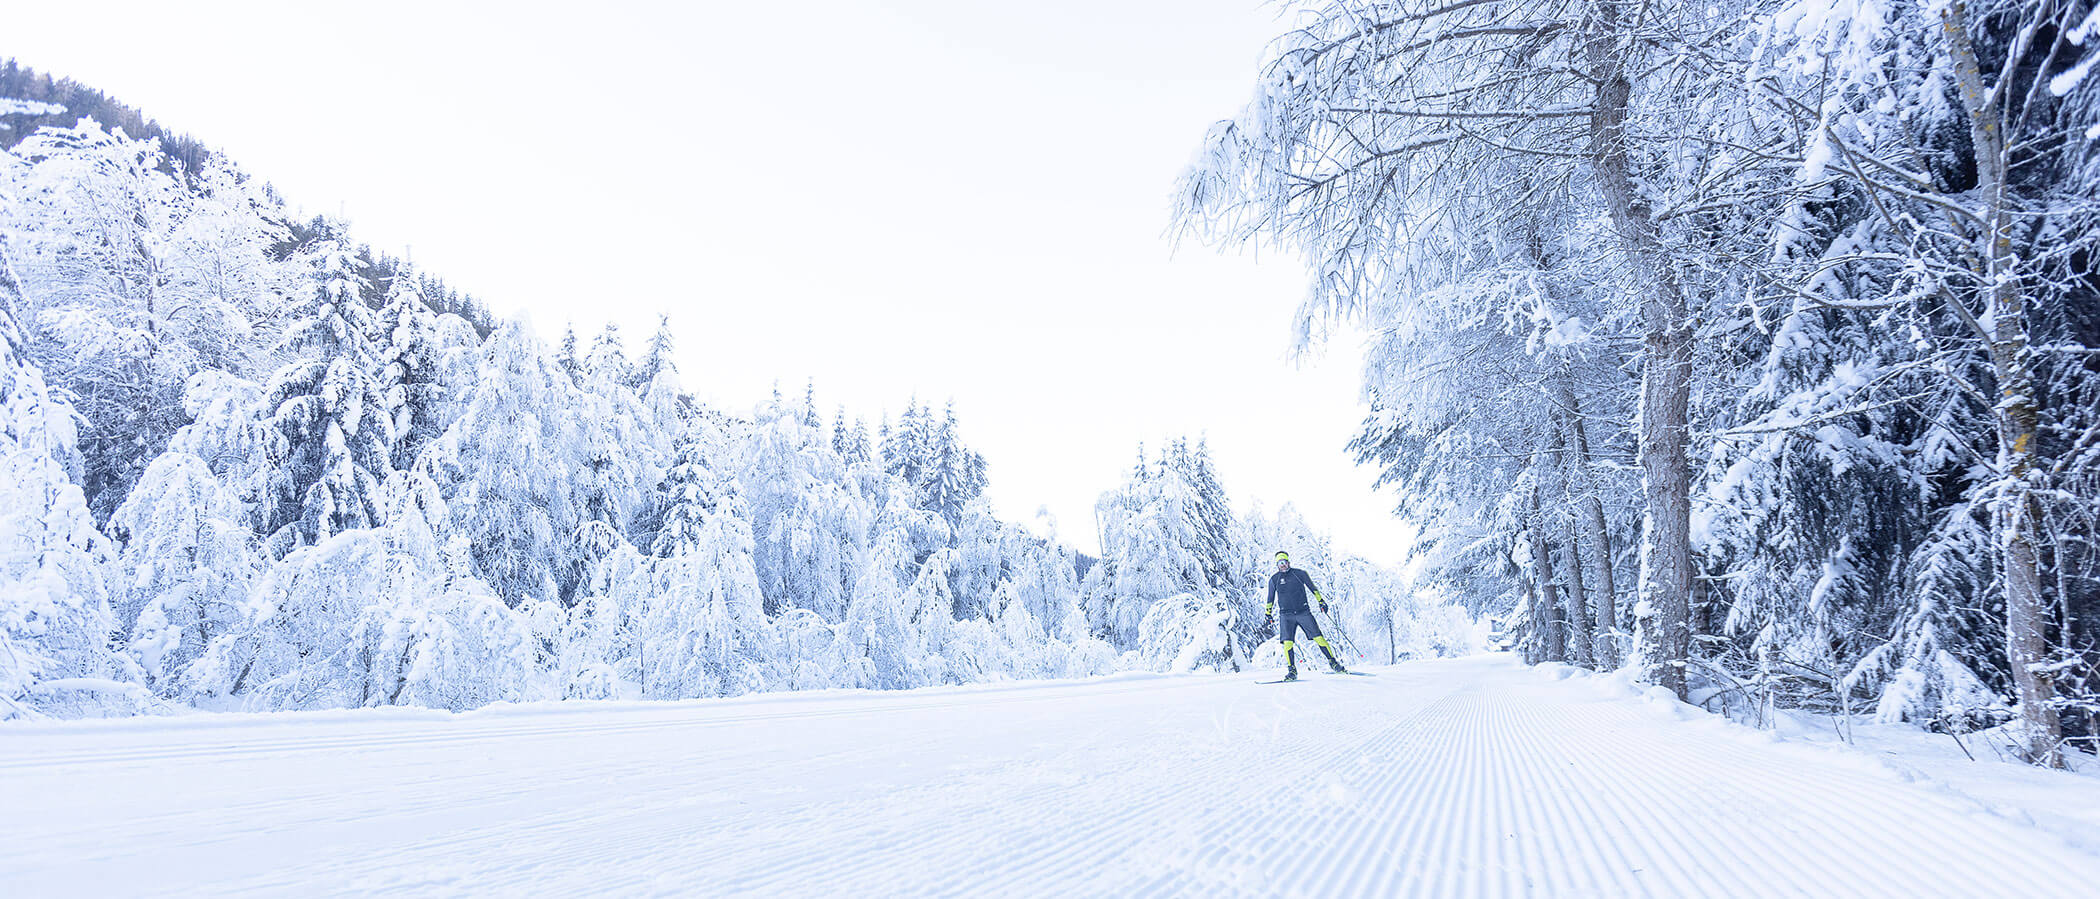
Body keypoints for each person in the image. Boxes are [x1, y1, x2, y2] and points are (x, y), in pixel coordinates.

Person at [1265, 551, 1346, 680]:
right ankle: (1292, 671)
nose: (1283, 565)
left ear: (1288, 562)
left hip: (1303, 612)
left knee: (1319, 638)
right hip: (1286, 616)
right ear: (1277, 565)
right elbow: (1270, 597)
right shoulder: (1274, 579)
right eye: (1280, 563)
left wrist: (1321, 601)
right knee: (1287, 643)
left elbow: (1313, 588)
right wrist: (1268, 613)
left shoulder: (1300, 574)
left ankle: (1334, 663)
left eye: (1284, 562)